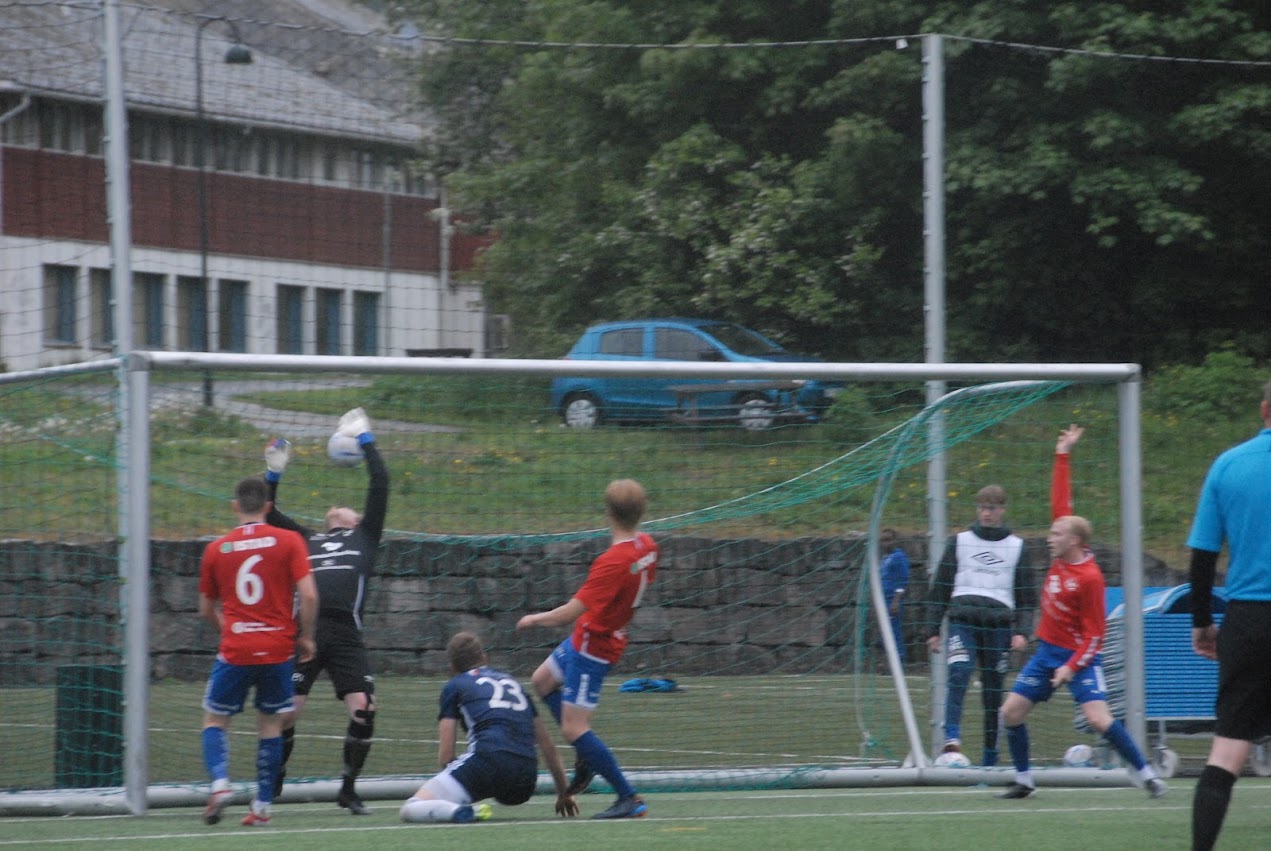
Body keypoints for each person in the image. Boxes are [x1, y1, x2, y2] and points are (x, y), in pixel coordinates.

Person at [996, 424, 1165, 800]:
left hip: (1080, 658)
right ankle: (1024, 781)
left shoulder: (1089, 578)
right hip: (1047, 653)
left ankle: (1147, 773)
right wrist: (1062, 453)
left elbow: (1095, 634)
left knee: (1098, 719)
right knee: (1010, 713)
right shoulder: (1062, 553)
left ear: (1073, 540)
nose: (1048, 537)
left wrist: (1071, 667)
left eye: (1056, 534)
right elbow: (1061, 500)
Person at [264, 408, 389, 816]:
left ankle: (348, 790)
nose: (342, 508)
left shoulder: (365, 536)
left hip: (346, 635)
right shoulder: (307, 538)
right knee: (288, 713)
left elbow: (381, 481)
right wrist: (274, 471)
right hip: (307, 632)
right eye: (336, 508)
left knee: (364, 708)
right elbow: (266, 511)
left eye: (349, 508)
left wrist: (365, 438)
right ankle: (275, 774)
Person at [515, 478, 658, 820]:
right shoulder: (648, 545)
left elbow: (569, 613)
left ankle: (629, 798)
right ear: (642, 511)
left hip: (595, 646)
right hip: (592, 634)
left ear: (607, 512)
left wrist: (534, 619)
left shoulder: (612, 561)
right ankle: (586, 755)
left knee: (574, 727)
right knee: (543, 681)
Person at [199, 476, 318, 827]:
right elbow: (309, 595)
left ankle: (220, 784)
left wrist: (232, 632)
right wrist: (307, 637)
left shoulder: (217, 549)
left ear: (235, 506)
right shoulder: (290, 540)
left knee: (215, 718)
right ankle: (263, 806)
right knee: (270, 723)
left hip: (236, 649)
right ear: (267, 507)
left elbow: (205, 609)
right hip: (279, 650)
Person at [1188, 379, 1271, 851]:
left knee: (1228, 749)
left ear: (1263, 410)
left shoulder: (1229, 464)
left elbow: (1203, 556)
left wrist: (1202, 622)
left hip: (1248, 622)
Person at [400, 631, 579, 824]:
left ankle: (460, 811)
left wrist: (458, 782)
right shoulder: (515, 685)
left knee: (411, 808)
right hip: (525, 777)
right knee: (493, 777)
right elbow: (548, 748)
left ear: (452, 667)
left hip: (487, 762)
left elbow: (445, 755)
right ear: (484, 658)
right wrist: (564, 793)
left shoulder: (455, 686)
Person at [926, 484, 1037, 766]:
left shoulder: (1016, 547)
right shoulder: (960, 541)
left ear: (1002, 510)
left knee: (992, 691)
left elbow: (1026, 597)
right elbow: (940, 587)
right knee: (959, 672)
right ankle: (951, 736)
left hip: (998, 628)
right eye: (981, 508)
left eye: (991, 509)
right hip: (963, 622)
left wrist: (1022, 631)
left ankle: (990, 756)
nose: (986, 514)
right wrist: (932, 629)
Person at [878, 529, 911, 663]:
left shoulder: (899, 557)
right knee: (885, 632)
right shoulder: (885, 558)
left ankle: (899, 660)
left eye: (888, 540)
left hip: (892, 600)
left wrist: (896, 601)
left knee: (894, 631)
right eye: (883, 540)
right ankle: (890, 661)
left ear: (895, 541)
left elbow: (903, 579)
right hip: (883, 600)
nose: (885, 544)